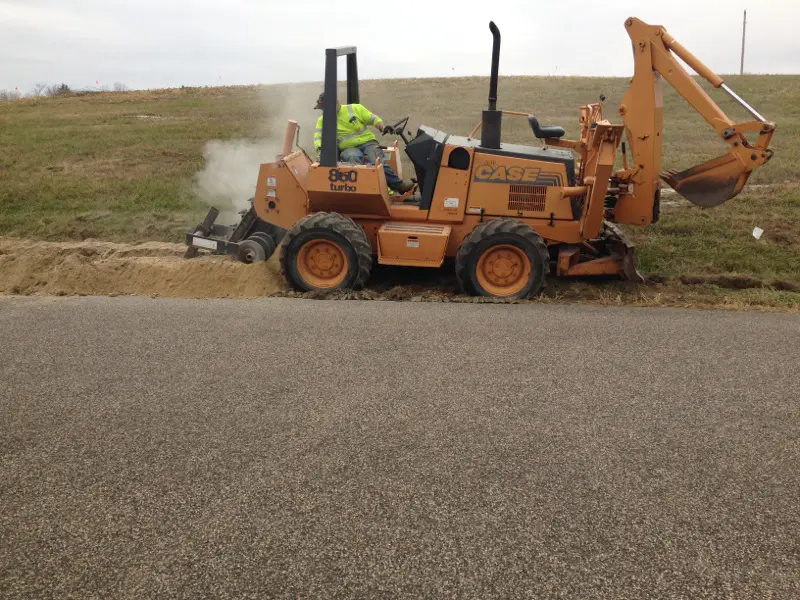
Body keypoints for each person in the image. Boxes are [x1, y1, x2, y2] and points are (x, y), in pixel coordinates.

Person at [313, 92, 414, 194]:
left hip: (368, 143)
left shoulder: (355, 109)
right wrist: (319, 149)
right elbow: (318, 137)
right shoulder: (323, 120)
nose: (323, 111)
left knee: (377, 162)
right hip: (348, 149)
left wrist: (383, 127)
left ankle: (399, 186)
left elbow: (374, 119)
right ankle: (364, 192)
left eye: (324, 108)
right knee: (353, 160)